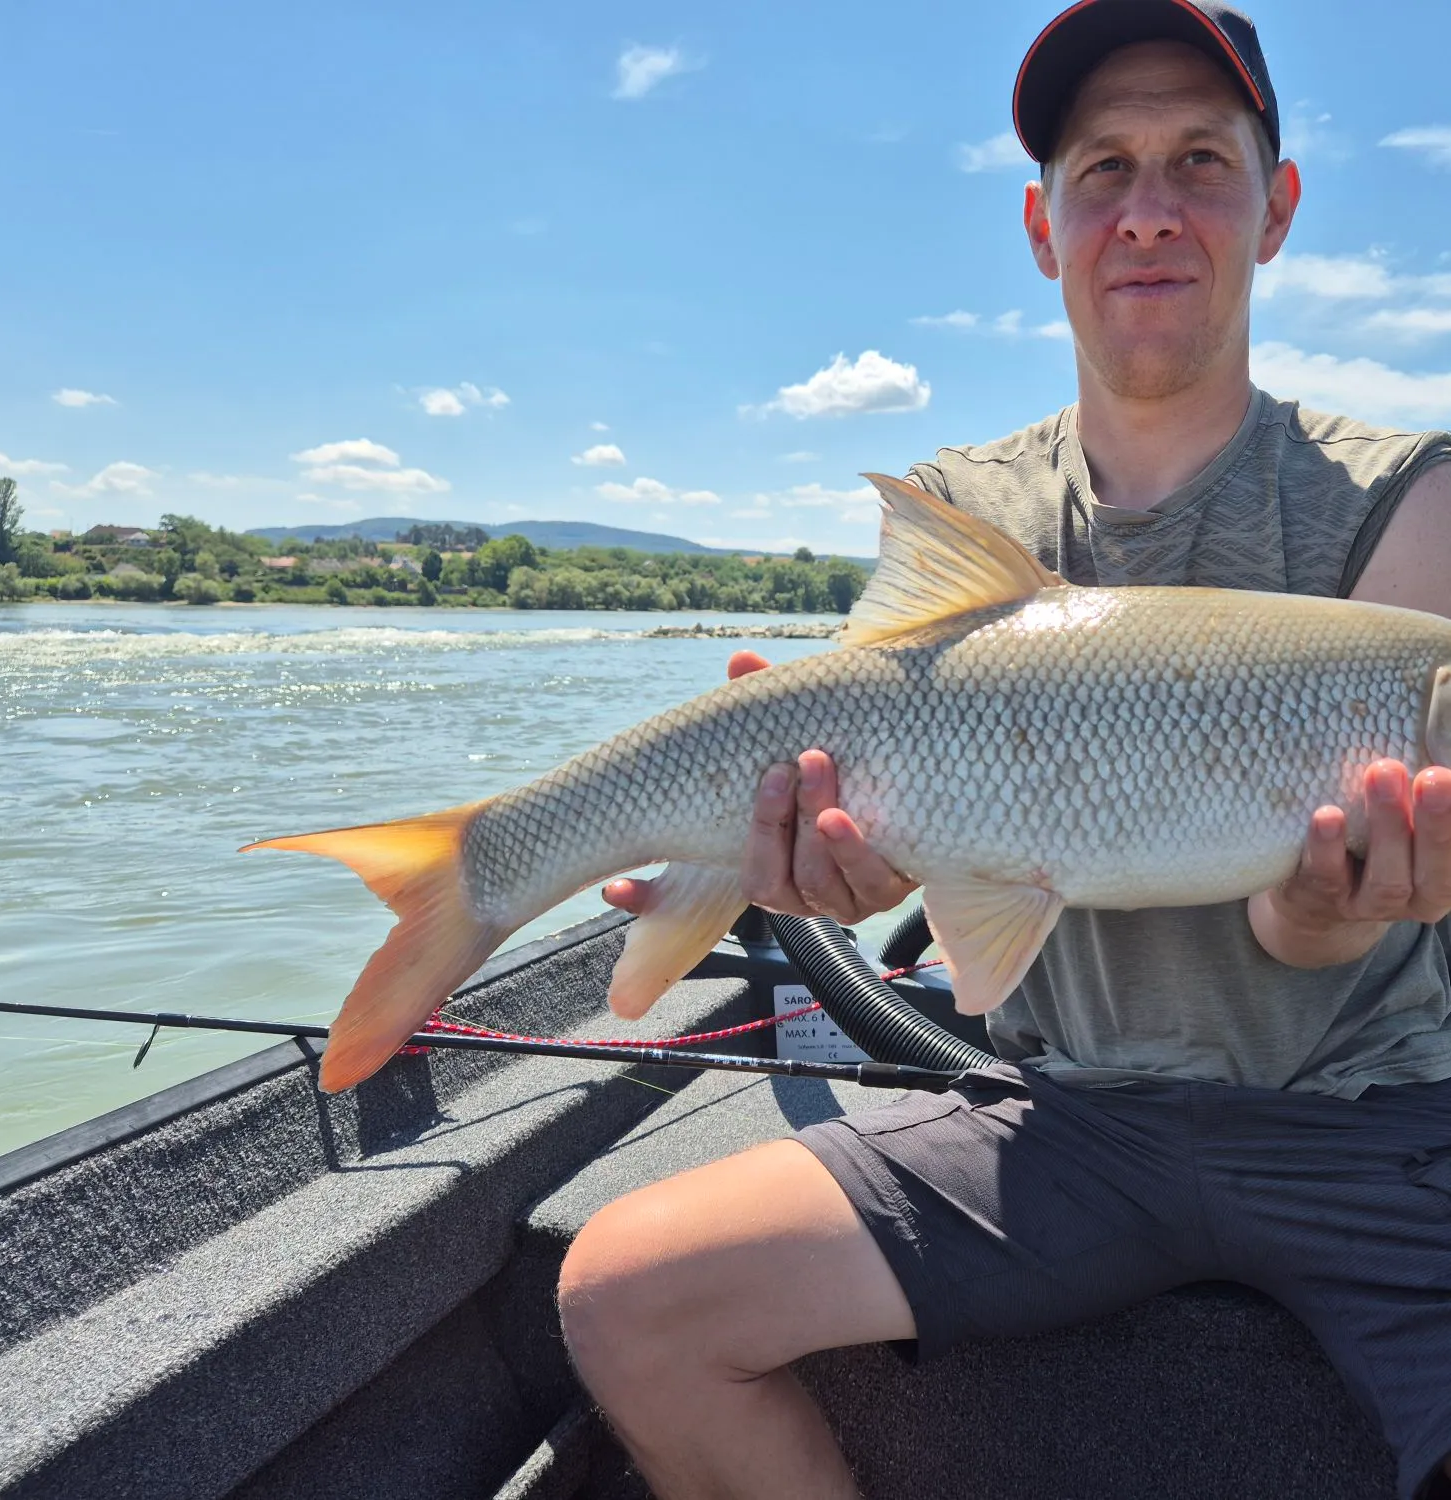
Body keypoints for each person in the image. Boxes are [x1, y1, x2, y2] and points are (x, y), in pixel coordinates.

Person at [559, 3, 1451, 1496]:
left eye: (1199, 162)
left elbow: (1311, 932)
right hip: (1063, 1120)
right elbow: (890, 844)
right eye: (1103, 170)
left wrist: (1317, 910)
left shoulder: (1411, 495)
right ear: (1045, 228)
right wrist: (807, 871)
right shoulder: (965, 506)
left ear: (1277, 208)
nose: (1149, 210)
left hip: (1372, 1123)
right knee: (626, 1300)